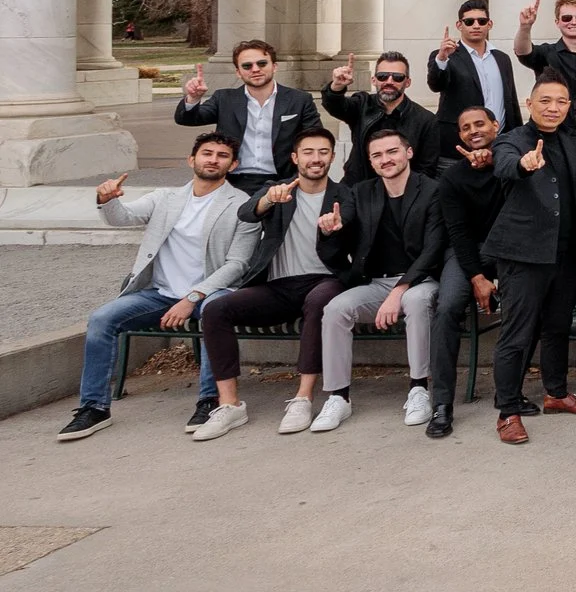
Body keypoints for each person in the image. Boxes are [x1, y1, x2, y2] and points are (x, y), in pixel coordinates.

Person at [59, 134, 259, 442]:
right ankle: (94, 408)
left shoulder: (243, 205)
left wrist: (192, 297)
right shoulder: (165, 198)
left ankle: (210, 400)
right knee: (102, 319)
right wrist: (107, 199)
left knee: (214, 313)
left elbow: (237, 264)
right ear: (191, 160)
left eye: (222, 156)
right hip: (160, 294)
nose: (213, 160)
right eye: (207, 153)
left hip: (210, 294)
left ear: (233, 165)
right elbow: (123, 217)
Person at [204, 128, 355, 436]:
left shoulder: (345, 195)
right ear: (295, 157)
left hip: (325, 280)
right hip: (279, 286)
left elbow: (350, 229)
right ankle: (230, 405)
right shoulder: (278, 189)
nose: (316, 158)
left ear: (332, 157)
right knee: (215, 309)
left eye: (323, 152)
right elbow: (246, 213)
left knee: (318, 302)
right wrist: (267, 201)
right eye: (308, 152)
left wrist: (333, 230)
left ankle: (303, 398)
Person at [482, 79, 576, 444]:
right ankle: (507, 412)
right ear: (529, 102)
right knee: (517, 335)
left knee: (556, 327)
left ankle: (556, 394)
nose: (553, 107)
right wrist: (525, 164)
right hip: (523, 255)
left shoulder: (569, 140)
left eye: (561, 101)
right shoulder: (511, 141)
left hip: (564, 254)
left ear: (568, 106)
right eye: (545, 100)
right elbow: (505, 166)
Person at [311, 127, 448, 434]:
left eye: (392, 151)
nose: (385, 159)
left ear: (408, 152)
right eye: (377, 155)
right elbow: (339, 240)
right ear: (371, 162)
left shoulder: (432, 190)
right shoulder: (361, 192)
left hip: (421, 280)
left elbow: (434, 248)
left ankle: (419, 388)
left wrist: (399, 290)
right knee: (335, 309)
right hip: (376, 283)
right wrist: (330, 230)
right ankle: (338, 396)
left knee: (416, 301)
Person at [423, 105, 507, 439]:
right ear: (459, 135)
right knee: (446, 309)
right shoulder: (452, 177)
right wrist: (477, 278)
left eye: (480, 124)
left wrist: (496, 161)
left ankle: (509, 391)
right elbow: (457, 232)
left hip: (507, 250)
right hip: (465, 252)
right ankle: (442, 403)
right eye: (466, 127)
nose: (474, 131)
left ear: (495, 126)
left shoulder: (509, 164)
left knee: (524, 301)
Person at [173, 38, 320, 193]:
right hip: (232, 181)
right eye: (247, 66)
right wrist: (193, 98)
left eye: (262, 63)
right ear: (238, 72)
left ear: (274, 66)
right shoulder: (224, 99)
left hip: (283, 181)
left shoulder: (299, 100)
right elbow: (187, 119)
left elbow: (316, 138)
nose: (255, 69)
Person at [322, 51, 439, 186]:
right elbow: (335, 106)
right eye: (382, 76)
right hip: (357, 188)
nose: (389, 81)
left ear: (407, 82)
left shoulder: (425, 120)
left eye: (398, 77)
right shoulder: (362, 104)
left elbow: (426, 168)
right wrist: (337, 86)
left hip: (401, 192)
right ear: (374, 80)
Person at [512, 0, 576, 152]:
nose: (574, 22)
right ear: (557, 22)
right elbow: (522, 51)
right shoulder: (546, 53)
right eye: (566, 18)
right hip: (552, 142)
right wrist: (525, 26)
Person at [427, 0, 520, 132]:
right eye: (469, 22)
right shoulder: (445, 56)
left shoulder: (502, 58)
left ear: (489, 24)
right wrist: (442, 59)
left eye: (482, 21)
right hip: (459, 137)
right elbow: (436, 85)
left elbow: (511, 100)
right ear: (459, 25)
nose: (476, 26)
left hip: (501, 137)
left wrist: (518, 133)